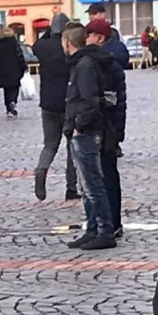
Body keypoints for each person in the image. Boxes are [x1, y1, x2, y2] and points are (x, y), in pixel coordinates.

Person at [62, 23, 116, 251]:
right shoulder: (82, 63)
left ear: (67, 42)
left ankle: (104, 230)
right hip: (82, 129)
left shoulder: (84, 65)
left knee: (93, 184)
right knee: (86, 186)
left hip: (85, 131)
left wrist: (78, 125)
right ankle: (92, 229)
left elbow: (89, 100)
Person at [86, 20, 127, 239]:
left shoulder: (107, 63)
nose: (86, 39)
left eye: (89, 35)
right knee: (106, 175)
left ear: (100, 38)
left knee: (107, 177)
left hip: (107, 128)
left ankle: (112, 222)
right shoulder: (108, 61)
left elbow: (110, 100)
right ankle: (109, 222)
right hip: (110, 127)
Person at [32, 13, 79, 201]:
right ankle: (71, 188)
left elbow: (35, 46)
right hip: (68, 103)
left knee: (50, 145)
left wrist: (47, 33)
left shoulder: (43, 47)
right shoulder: (68, 47)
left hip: (48, 103)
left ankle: (41, 170)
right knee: (71, 146)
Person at [0, 25, 27, 117]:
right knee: (15, 87)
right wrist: (24, 66)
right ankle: (13, 101)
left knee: (6, 89)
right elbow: (19, 54)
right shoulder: (13, 41)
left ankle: (8, 108)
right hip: (15, 68)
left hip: (1, 70)